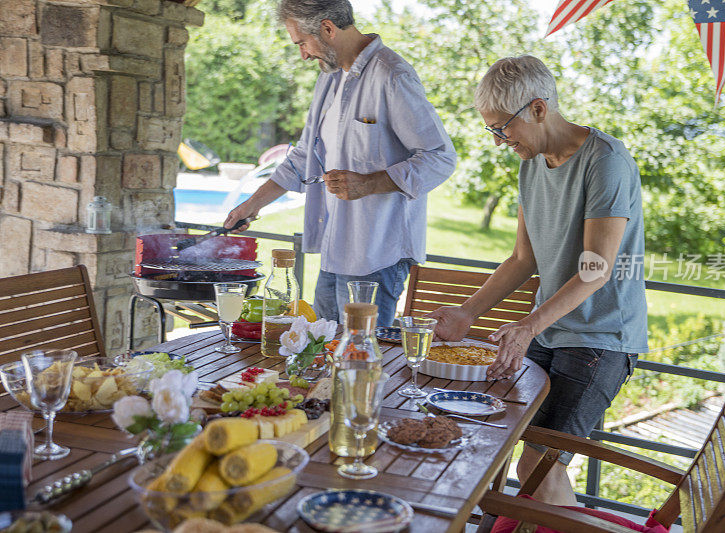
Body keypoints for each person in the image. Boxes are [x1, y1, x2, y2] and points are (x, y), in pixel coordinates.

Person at [429, 56, 648, 506]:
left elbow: (596, 269)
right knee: (502, 443)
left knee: (539, 466)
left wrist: (529, 324)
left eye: (502, 128)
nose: (498, 141)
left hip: (600, 338)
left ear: (538, 109)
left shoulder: (606, 161)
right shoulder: (531, 166)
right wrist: (466, 312)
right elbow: (522, 258)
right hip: (551, 329)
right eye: (491, 130)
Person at [224, 0, 456, 327]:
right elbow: (306, 156)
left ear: (328, 28)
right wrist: (251, 205)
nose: (303, 54)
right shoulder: (330, 78)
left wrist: (369, 183)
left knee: (359, 364)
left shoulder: (392, 74)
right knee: (320, 353)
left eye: (303, 43)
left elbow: (440, 158)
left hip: (378, 256)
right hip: (335, 250)